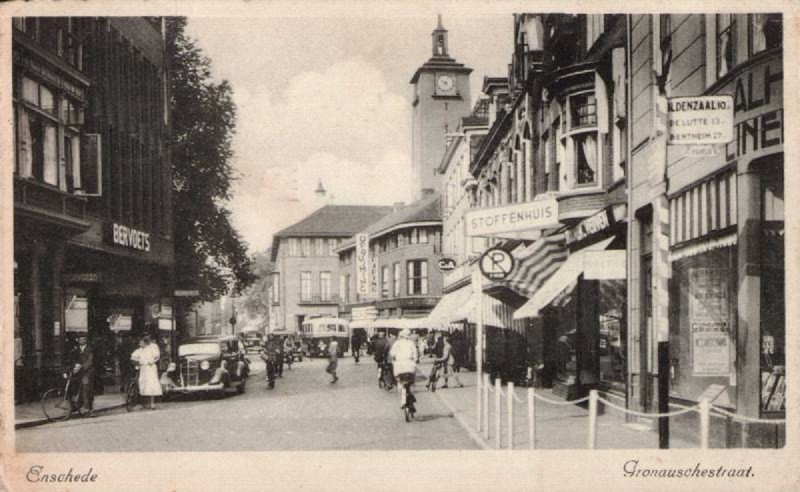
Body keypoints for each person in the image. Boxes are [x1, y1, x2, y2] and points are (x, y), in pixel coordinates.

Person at [389, 329, 419, 416]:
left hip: (399, 367)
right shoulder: (411, 343)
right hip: (410, 365)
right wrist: (415, 360)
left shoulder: (397, 343)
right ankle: (412, 399)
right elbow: (415, 355)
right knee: (412, 383)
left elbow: (392, 354)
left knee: (400, 383)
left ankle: (402, 401)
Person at [130, 335, 162, 410]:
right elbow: (133, 358)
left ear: (145, 343)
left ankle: (152, 403)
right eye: (139, 343)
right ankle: (145, 403)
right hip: (143, 368)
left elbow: (157, 356)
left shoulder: (151, 349)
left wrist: (153, 361)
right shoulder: (139, 350)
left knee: (151, 384)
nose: (140, 344)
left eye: (141, 342)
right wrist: (137, 363)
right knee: (143, 384)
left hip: (150, 368)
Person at [71, 334, 95, 417]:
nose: (82, 341)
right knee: (76, 387)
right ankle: (77, 405)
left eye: (84, 339)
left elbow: (90, 361)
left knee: (86, 388)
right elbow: (73, 358)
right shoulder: (76, 349)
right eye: (81, 339)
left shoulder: (90, 349)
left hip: (88, 371)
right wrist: (75, 366)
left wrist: (82, 366)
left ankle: (89, 409)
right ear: (78, 340)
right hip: (78, 371)